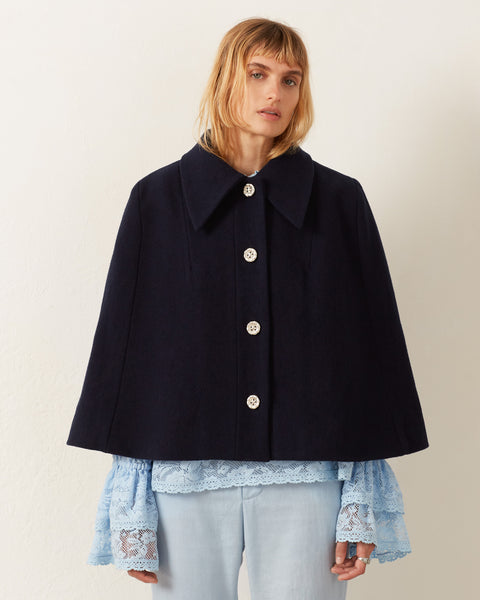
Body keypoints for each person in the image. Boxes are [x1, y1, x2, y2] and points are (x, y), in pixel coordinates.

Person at [67, 17, 428, 599]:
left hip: (307, 480)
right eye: (258, 74)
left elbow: (368, 355)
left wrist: (360, 494)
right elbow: (131, 355)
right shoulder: (157, 201)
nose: (274, 93)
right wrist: (132, 499)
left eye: (290, 79)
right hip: (184, 480)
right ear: (224, 79)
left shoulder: (340, 202)